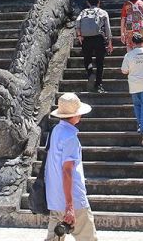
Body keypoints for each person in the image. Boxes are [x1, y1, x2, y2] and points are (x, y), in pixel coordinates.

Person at [43, 92, 98, 241]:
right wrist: (69, 205)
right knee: (88, 238)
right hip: (72, 199)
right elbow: (67, 171)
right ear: (75, 115)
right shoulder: (70, 138)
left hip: (55, 198)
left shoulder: (55, 131)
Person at [75, 0, 112, 94]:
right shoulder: (103, 12)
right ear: (99, 2)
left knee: (87, 59)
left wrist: (79, 36)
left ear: (88, 3)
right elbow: (107, 28)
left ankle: (90, 72)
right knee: (100, 62)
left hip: (86, 39)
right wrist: (109, 42)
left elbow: (77, 23)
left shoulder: (83, 12)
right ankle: (98, 85)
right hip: (99, 38)